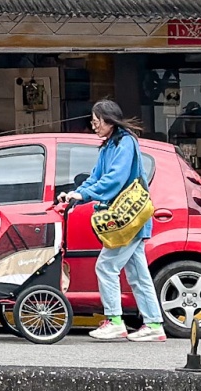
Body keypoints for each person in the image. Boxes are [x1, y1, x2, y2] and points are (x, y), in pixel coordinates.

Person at [56, 100, 166, 342]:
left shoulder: (125, 143)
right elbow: (96, 176)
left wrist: (83, 194)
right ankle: (154, 324)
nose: (94, 126)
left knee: (106, 266)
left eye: (97, 122)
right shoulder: (109, 145)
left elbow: (115, 179)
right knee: (138, 275)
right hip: (131, 221)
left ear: (109, 121)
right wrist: (75, 193)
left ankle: (115, 321)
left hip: (128, 221)